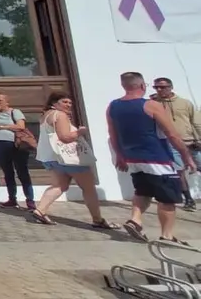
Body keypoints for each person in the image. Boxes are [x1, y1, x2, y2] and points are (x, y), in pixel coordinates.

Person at [108, 73, 194, 243]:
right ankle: (167, 236)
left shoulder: (113, 106)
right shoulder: (151, 105)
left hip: (133, 158)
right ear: (142, 86)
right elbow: (172, 134)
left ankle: (135, 220)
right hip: (157, 157)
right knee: (167, 198)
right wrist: (186, 156)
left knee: (143, 191)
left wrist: (120, 155)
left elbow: (112, 134)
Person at [32, 90, 116, 230]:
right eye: (64, 102)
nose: (68, 105)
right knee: (88, 188)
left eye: (70, 102)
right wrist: (79, 132)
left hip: (52, 157)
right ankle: (97, 219)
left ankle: (40, 210)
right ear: (54, 103)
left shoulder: (46, 115)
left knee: (60, 185)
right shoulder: (60, 115)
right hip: (70, 158)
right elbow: (65, 137)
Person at [151, 77, 201, 211]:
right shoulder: (154, 104)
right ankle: (188, 199)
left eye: (162, 87)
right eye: (156, 87)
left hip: (190, 142)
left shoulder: (185, 103)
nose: (159, 90)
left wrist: (199, 138)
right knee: (179, 172)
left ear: (171, 87)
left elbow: (195, 122)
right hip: (171, 143)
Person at [0, 92, 35, 211]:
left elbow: (20, 126)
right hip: (0, 144)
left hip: (15, 144)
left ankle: (30, 201)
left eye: (0, 100)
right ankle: (12, 199)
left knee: (22, 172)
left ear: (7, 102)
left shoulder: (14, 112)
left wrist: (2, 127)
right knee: (8, 172)